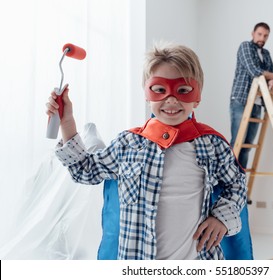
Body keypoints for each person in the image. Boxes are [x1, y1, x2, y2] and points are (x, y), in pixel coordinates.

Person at [46, 43, 249, 260]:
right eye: (160, 89)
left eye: (183, 90)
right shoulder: (128, 144)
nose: (171, 99)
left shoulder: (213, 145)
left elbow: (236, 184)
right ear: (147, 94)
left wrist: (222, 218)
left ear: (197, 96)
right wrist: (67, 123)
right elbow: (84, 170)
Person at [230, 22, 273, 168]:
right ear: (253, 33)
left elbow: (272, 72)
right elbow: (254, 70)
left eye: (265, 36)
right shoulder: (245, 46)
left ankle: (240, 181)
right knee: (238, 142)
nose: (262, 38)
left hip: (257, 104)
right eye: (259, 34)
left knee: (248, 145)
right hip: (242, 99)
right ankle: (228, 181)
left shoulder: (266, 54)